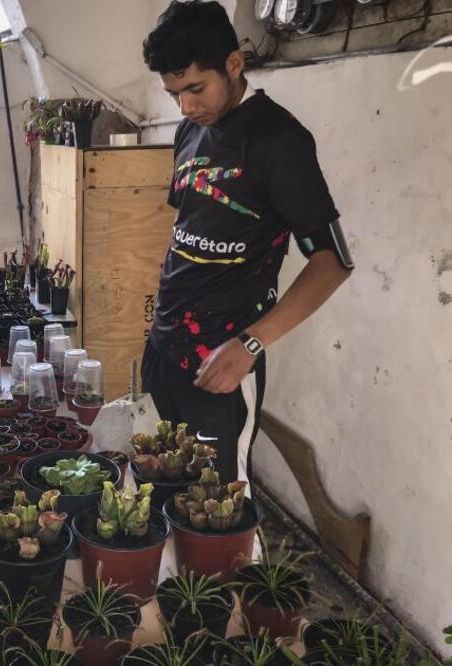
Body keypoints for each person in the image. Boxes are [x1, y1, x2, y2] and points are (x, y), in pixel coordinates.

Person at [140, 1, 354, 486]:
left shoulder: (278, 140)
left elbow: (333, 262)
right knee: (157, 495)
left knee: (218, 516)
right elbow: (192, 233)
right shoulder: (190, 131)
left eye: (196, 88)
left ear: (234, 64)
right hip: (163, 350)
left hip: (223, 365)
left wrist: (251, 345)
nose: (187, 107)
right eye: (174, 94)